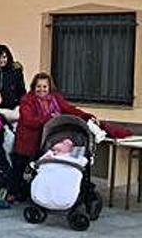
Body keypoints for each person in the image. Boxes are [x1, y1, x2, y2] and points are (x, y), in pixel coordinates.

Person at [11, 73, 94, 201]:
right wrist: (49, 118)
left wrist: (87, 116)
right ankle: (13, 192)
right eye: (38, 86)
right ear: (33, 87)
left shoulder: (56, 99)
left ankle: (39, 192)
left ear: (50, 87)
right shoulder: (27, 100)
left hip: (46, 140)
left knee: (43, 169)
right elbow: (29, 121)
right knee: (20, 168)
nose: (41, 89)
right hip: (28, 140)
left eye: (45, 86)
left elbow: (70, 109)